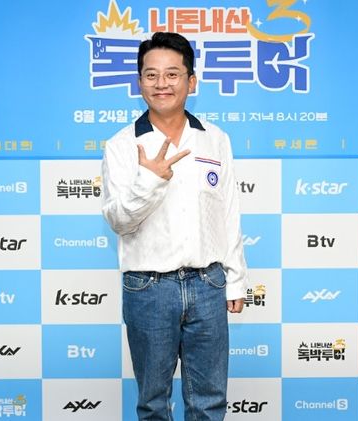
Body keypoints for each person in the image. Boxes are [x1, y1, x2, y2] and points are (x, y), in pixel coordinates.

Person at [101, 32, 248, 421]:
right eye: (151, 75)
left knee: (209, 402)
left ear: (191, 81)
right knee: (153, 403)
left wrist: (236, 280)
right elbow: (118, 220)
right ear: (139, 82)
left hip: (208, 284)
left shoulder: (215, 139)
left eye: (172, 74)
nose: (161, 84)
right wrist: (150, 180)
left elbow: (228, 213)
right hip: (149, 288)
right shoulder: (121, 145)